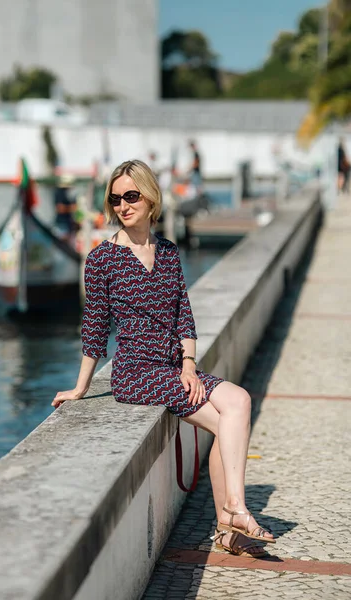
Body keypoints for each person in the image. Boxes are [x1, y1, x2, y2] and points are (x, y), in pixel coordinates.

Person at [51, 159, 275, 557]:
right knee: (226, 420)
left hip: (173, 367)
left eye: (131, 195)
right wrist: (80, 387)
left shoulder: (169, 253)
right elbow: (95, 328)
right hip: (137, 373)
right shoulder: (103, 258)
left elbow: (183, 315)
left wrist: (189, 365)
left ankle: (229, 519)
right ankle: (233, 514)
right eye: (116, 198)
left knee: (238, 401)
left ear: (150, 197)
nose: (123, 205)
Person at [53, 174, 78, 243]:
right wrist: (71, 208)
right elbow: (60, 208)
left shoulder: (69, 193)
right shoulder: (59, 192)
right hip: (62, 224)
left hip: (67, 224)